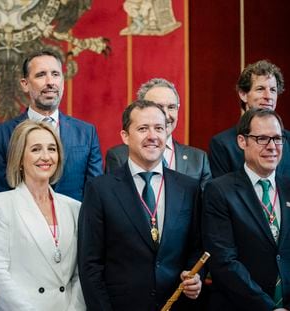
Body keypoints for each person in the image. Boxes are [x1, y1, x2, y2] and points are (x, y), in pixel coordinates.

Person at [78, 100, 202, 311]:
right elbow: (90, 265)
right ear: (125, 136)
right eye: (143, 128)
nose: (152, 136)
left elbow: (197, 247)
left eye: (159, 129)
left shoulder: (188, 188)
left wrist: (195, 276)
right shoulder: (100, 190)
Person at [0, 120, 85, 310]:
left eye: (52, 149)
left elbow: (81, 274)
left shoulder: (75, 208)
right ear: (19, 157)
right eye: (36, 149)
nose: (46, 156)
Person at [0, 49, 102, 201]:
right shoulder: (1, 135)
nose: (50, 82)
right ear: (25, 84)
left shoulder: (86, 133)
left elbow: (95, 193)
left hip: (74, 223)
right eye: (41, 75)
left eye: (55, 74)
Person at [203, 108, 290, 310]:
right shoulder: (219, 191)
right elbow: (224, 262)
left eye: (277, 139)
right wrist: (269, 308)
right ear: (242, 142)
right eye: (262, 139)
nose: (272, 147)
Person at [105, 78, 211, 188]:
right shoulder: (118, 156)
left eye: (171, 107)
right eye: (158, 107)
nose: (165, 115)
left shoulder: (199, 159)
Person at [209, 60, 290, 177]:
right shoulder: (222, 144)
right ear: (243, 94)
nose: (268, 97)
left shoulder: (288, 140)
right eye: (260, 89)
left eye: (273, 90)